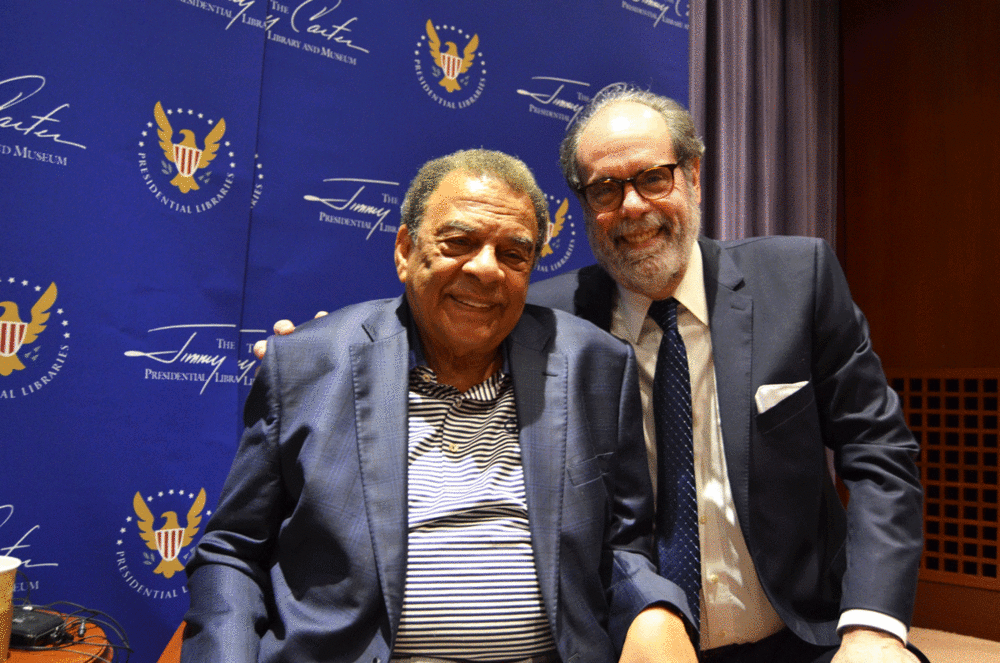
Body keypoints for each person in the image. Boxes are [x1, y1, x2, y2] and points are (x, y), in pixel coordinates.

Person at [260, 88, 928, 663]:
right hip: (625, 642)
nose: (632, 205)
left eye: (653, 177)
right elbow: (426, 324)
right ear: (583, 205)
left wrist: (873, 622)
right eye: (605, 188)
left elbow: (880, 453)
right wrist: (323, 350)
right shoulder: (541, 313)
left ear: (693, 175)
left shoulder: (798, 279)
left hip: (810, 633)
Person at [183, 148, 688, 663]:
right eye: (459, 242)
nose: (487, 270)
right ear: (404, 250)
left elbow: (624, 548)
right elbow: (231, 552)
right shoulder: (308, 364)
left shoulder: (594, 365)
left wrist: (655, 611)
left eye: (514, 253)